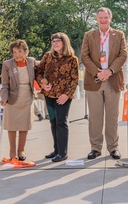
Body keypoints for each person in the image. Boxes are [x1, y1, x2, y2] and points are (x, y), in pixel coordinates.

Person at [81, 7, 127, 160]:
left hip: (112, 80)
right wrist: (98, 72)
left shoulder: (119, 35)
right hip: (94, 80)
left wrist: (110, 71)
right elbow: (84, 56)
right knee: (95, 117)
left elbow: (123, 55)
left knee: (112, 117)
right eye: (100, 18)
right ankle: (95, 148)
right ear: (96, 19)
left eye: (105, 18)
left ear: (110, 19)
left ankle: (113, 147)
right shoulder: (89, 35)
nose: (103, 20)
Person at [37, 32, 79, 162]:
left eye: (57, 41)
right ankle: (56, 150)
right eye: (53, 41)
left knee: (61, 122)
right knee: (53, 122)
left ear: (64, 43)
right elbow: (38, 71)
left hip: (64, 96)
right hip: (49, 95)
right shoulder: (47, 56)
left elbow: (75, 79)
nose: (55, 44)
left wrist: (67, 95)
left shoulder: (72, 59)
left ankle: (63, 152)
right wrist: (43, 83)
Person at [0, 40, 37, 161]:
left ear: (26, 51)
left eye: (20, 51)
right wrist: (4, 96)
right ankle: (12, 151)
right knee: (12, 125)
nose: (17, 55)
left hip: (27, 96)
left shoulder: (32, 62)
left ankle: (21, 150)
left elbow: (41, 74)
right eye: (14, 52)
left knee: (24, 125)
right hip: (12, 97)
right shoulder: (7, 64)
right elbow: (4, 84)